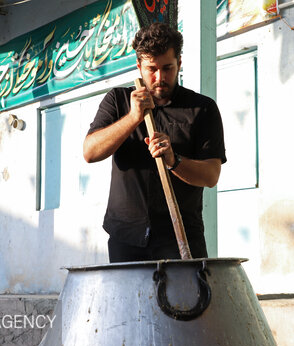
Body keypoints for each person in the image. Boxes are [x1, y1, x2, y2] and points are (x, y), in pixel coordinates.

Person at [83, 22, 226, 263]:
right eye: (152, 69)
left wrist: (174, 160)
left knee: (184, 301)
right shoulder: (118, 101)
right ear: (139, 66)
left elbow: (211, 176)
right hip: (126, 237)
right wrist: (132, 118)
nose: (160, 77)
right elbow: (90, 152)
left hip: (180, 237)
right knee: (129, 302)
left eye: (168, 68)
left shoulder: (202, 108)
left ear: (179, 63)